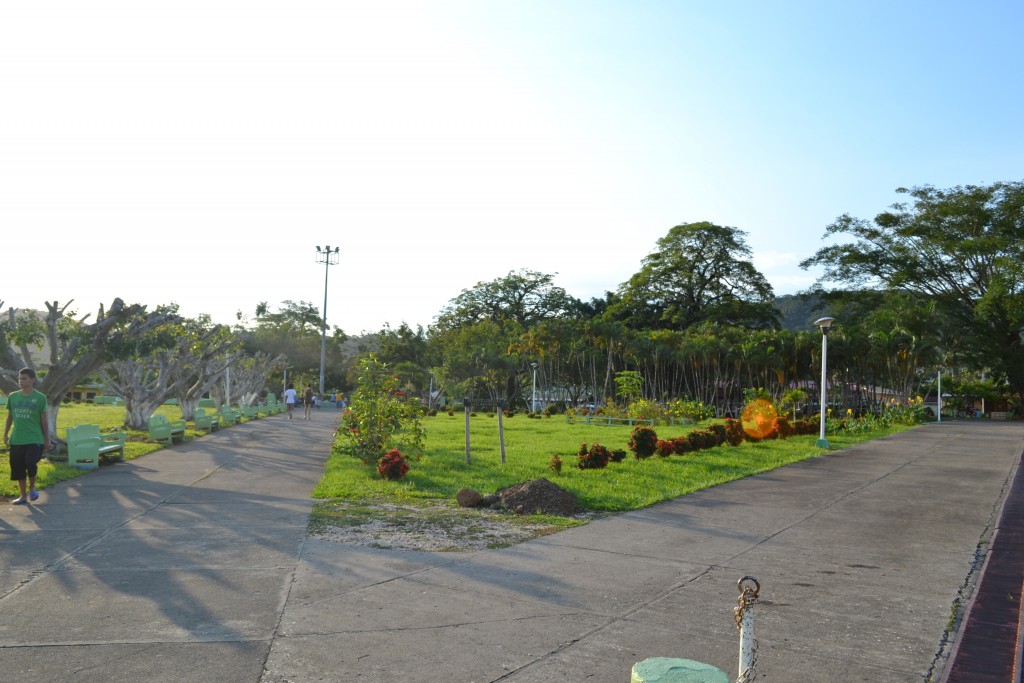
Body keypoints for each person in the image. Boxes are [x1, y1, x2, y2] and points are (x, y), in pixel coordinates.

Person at [4, 367, 50, 505]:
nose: (21, 381)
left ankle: (32, 488)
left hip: (34, 438)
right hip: (17, 439)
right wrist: (5, 434)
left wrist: (47, 440)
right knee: (18, 468)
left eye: (24, 378)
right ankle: (23, 496)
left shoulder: (40, 398)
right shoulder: (13, 396)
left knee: (30, 463)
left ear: (32, 380)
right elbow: (10, 417)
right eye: (19, 378)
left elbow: (44, 420)